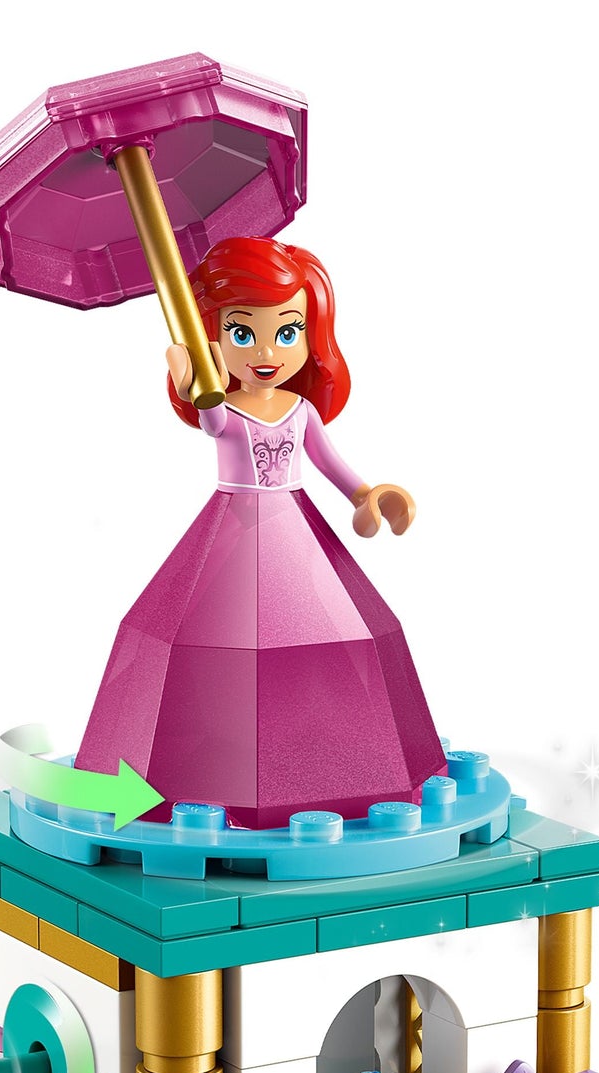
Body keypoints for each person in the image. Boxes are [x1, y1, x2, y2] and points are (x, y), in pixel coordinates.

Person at [73, 237, 446, 831]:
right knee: (206, 641)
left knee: (333, 637)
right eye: (243, 333)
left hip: (298, 528)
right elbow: (211, 416)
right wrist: (192, 375)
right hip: (233, 526)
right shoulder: (226, 412)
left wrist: (368, 495)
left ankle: (331, 766)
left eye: (288, 331)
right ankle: (200, 774)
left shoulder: (301, 410)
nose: (268, 351)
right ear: (215, 336)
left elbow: (331, 464)